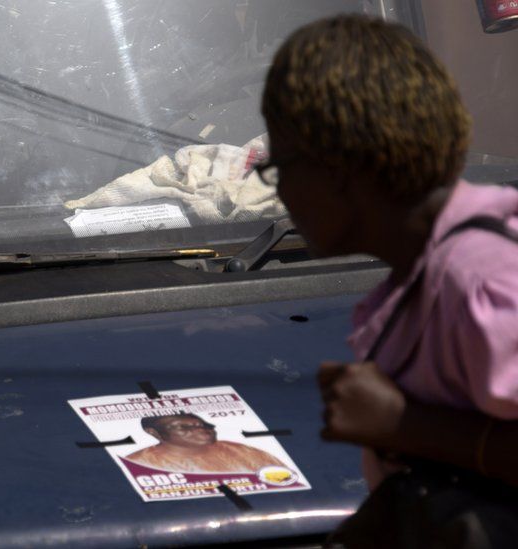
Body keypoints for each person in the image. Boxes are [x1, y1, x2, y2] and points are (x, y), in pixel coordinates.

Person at [259, 13, 518, 543]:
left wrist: (401, 424)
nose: (279, 192)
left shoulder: (482, 277)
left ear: (336, 166)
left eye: (280, 166)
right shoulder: (427, 271)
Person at [124, 413, 286, 473]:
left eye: (202, 425)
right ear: (153, 433)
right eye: (184, 427)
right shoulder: (139, 462)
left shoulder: (241, 451)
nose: (202, 430)